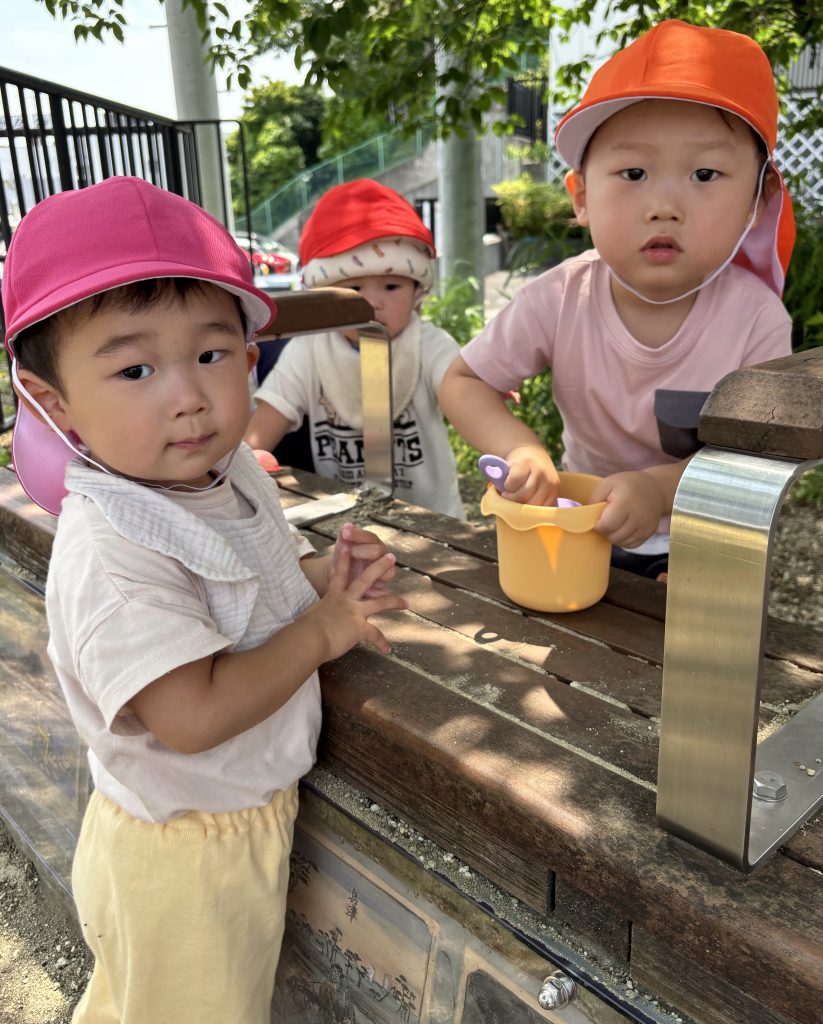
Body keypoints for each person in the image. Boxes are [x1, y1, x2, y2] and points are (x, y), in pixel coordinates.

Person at [2, 176, 407, 1023]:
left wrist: (325, 577)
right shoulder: (112, 551)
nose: (187, 395)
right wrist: (325, 632)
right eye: (136, 367)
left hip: (233, 818)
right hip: (182, 853)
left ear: (249, 356)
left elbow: (256, 585)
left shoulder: (219, 475)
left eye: (212, 354)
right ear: (53, 401)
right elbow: (187, 712)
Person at [439, 20, 795, 579]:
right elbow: (463, 382)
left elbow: (755, 459)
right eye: (633, 172)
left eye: (705, 173)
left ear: (758, 199)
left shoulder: (756, 320)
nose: (663, 205)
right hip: (582, 529)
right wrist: (521, 451)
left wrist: (659, 489)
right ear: (581, 196)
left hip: (705, 542)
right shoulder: (560, 296)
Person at [245, 178, 465, 519]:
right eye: (353, 288)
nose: (373, 302)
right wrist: (246, 459)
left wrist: (486, 404)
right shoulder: (309, 349)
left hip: (431, 517)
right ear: (324, 292)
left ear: (417, 290)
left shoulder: (429, 344)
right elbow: (270, 415)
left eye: (392, 286)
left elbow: (462, 390)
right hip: (345, 514)